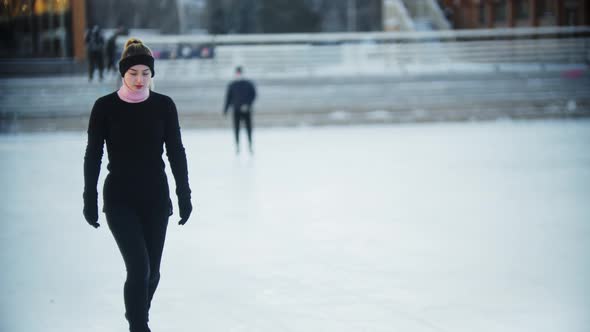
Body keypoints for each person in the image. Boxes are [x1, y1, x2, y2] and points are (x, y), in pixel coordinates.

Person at [83, 38, 193, 332]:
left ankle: (135, 316)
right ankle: (139, 327)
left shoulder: (164, 106)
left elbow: (176, 151)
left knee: (153, 273)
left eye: (145, 72)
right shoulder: (104, 107)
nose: (140, 79)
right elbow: (93, 154)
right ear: (123, 73)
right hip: (119, 198)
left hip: (156, 198)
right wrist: (89, 197)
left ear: (152, 74)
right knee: (139, 268)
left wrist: (184, 193)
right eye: (133, 73)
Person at [223, 66, 257, 154]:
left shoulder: (248, 84)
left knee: (249, 129)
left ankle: (250, 145)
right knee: (236, 129)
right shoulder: (232, 85)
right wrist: (225, 109)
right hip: (236, 110)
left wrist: (248, 105)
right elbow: (228, 98)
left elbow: (253, 95)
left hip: (247, 110)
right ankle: (237, 146)